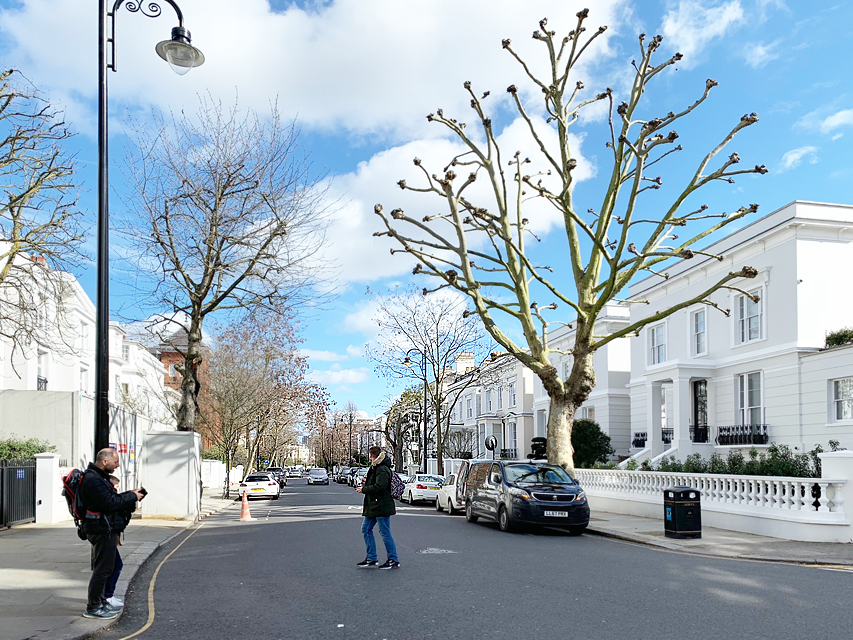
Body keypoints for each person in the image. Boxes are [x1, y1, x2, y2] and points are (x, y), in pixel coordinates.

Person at [79, 449, 144, 619]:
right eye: (115, 462)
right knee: (103, 569)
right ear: (105, 461)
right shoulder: (93, 479)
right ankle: (93, 607)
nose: (118, 465)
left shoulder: (99, 477)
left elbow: (109, 500)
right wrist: (132, 497)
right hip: (101, 529)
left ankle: (103, 600)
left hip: (105, 527)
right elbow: (109, 503)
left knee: (114, 566)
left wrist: (130, 495)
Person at [355, 446, 399, 569]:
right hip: (374, 505)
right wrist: (366, 483)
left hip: (381, 505)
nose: (369, 458)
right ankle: (371, 558)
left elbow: (381, 486)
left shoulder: (382, 469)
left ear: (372, 456)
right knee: (366, 529)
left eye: (370, 456)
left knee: (385, 532)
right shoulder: (376, 468)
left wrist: (364, 489)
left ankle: (393, 559)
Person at [103, 475, 135, 608]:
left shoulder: (109, 497)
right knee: (114, 566)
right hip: (106, 535)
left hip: (107, 534)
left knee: (111, 566)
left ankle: (106, 596)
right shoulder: (108, 498)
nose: (116, 490)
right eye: (116, 487)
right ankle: (107, 596)